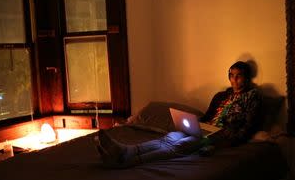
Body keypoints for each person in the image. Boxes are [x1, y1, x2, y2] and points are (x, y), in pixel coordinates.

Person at [95, 61, 261, 168]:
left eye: (239, 76)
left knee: (179, 145)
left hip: (223, 135)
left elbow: (248, 127)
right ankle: (127, 150)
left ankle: (126, 161)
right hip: (206, 130)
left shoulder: (252, 97)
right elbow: (207, 116)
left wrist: (223, 144)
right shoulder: (221, 96)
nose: (234, 80)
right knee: (169, 137)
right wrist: (193, 125)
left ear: (246, 78)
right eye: (231, 75)